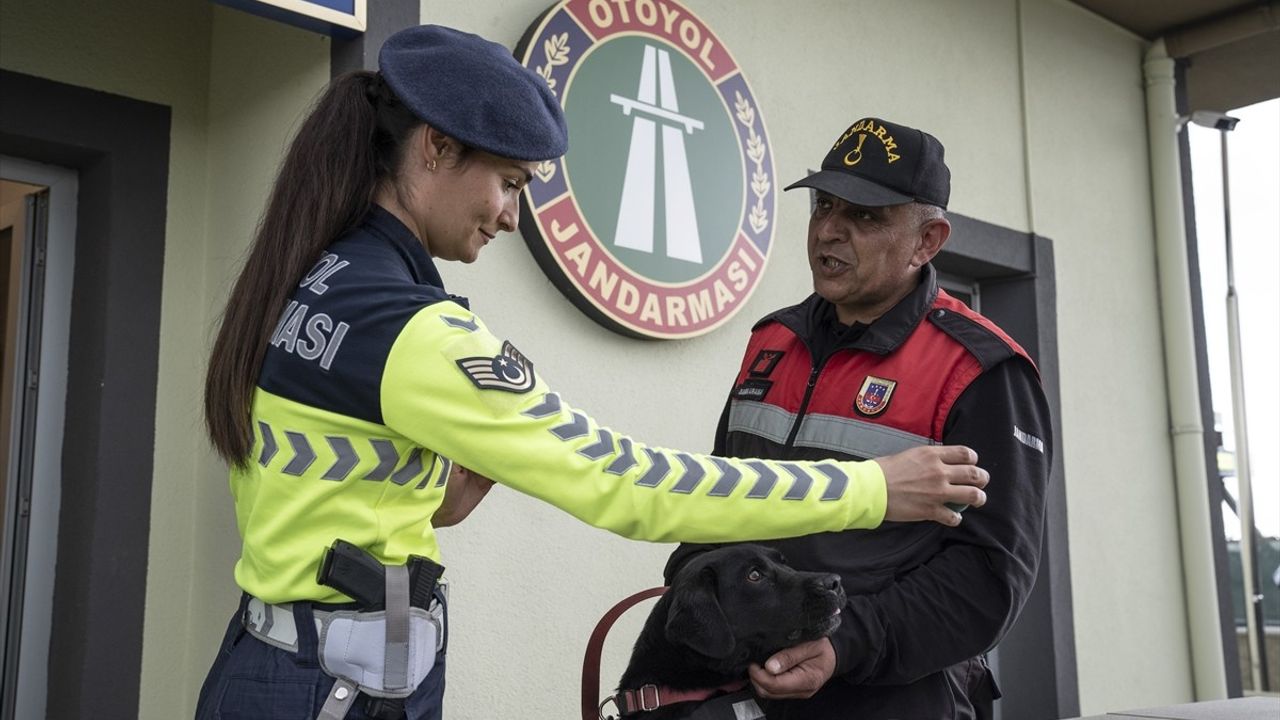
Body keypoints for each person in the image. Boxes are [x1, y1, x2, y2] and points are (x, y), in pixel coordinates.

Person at [194, 26, 990, 720]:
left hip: (286, 664)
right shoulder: (411, 330)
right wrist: (875, 488)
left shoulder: (319, 279)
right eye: (509, 183)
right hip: (335, 689)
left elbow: (311, 482)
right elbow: (634, 486)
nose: (511, 215)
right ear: (435, 147)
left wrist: (420, 501)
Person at [665, 117, 1053, 720]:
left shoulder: (981, 368)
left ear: (928, 241)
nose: (828, 232)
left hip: (891, 698)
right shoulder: (774, 341)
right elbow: (720, 502)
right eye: (823, 206)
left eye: (866, 217)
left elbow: (988, 579)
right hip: (746, 690)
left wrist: (842, 645)